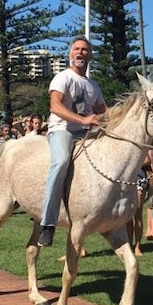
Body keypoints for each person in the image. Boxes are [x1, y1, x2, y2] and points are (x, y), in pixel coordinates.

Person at [38, 35, 107, 247]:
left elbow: (104, 114)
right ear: (70, 54)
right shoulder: (63, 77)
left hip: (85, 133)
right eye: (76, 49)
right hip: (62, 130)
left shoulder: (93, 86)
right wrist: (83, 119)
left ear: (91, 56)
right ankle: (47, 224)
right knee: (60, 163)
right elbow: (55, 106)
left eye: (85, 50)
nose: (80, 52)